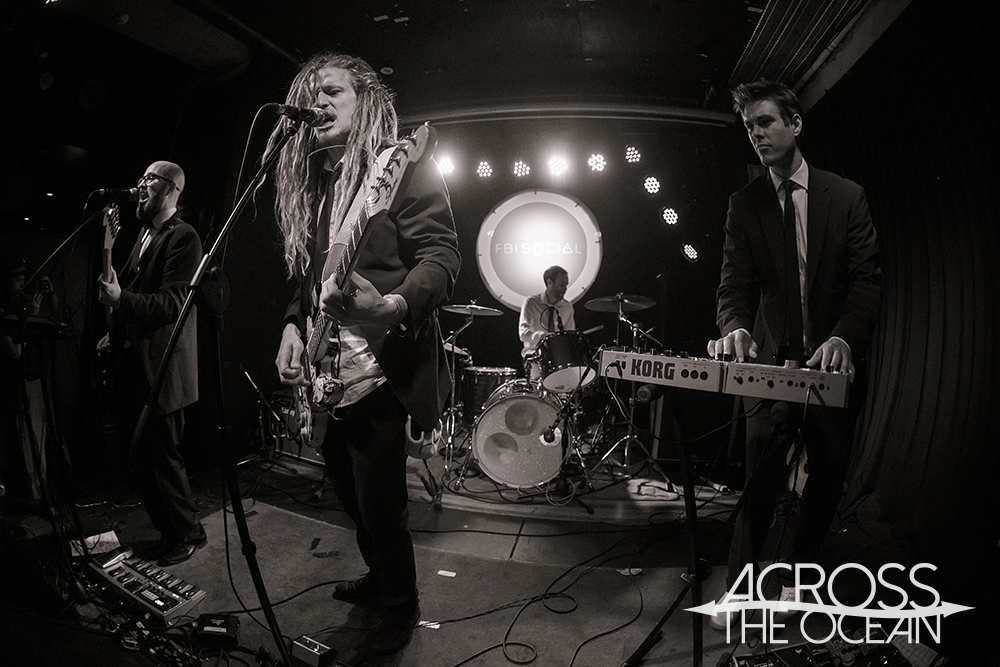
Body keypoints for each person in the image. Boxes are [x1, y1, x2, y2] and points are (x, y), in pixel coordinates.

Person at [270, 52, 460, 656]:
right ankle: (380, 576)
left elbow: (442, 258)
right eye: (311, 94)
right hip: (327, 374)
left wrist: (393, 305)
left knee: (382, 503)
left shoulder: (399, 169)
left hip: (379, 369)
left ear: (368, 100)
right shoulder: (319, 183)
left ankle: (400, 604)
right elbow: (308, 278)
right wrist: (293, 324)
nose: (317, 103)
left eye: (331, 92)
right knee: (348, 494)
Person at [706, 79, 881, 627]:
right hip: (768, 368)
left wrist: (844, 338)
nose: (756, 134)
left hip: (830, 366)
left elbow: (866, 281)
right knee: (759, 479)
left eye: (765, 122)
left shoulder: (845, 196)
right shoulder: (745, 204)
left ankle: (798, 581)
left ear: (795, 123)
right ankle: (740, 590)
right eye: (749, 127)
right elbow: (732, 286)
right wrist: (735, 327)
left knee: (826, 476)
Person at [97, 160, 207, 567]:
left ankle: (189, 534)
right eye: (141, 178)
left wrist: (120, 300)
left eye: (150, 180)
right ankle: (169, 533)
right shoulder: (146, 234)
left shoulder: (184, 237)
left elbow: (172, 304)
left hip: (164, 372)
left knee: (163, 460)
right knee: (141, 462)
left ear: (172, 189)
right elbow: (129, 294)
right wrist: (114, 331)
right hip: (139, 366)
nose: (140, 185)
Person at [518, 265, 576, 382]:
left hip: (558, 356)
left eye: (566, 285)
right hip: (535, 355)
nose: (565, 289)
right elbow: (523, 333)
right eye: (561, 285)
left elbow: (570, 334)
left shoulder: (567, 306)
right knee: (541, 383)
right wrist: (539, 337)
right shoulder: (531, 303)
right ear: (549, 282)